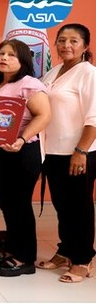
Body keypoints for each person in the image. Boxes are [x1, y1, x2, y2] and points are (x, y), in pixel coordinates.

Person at [0, 39, 50, 277]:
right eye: (2, 53)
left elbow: (44, 115)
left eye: (11, 55)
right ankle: (12, 249)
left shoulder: (29, 84)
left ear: (23, 60)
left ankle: (25, 258)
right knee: (5, 202)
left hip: (21, 151)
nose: (5, 58)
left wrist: (21, 139)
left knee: (19, 204)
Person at [39, 23, 96, 283]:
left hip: (79, 152)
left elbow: (93, 117)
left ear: (85, 46)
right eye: (62, 40)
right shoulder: (54, 72)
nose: (66, 45)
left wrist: (81, 150)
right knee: (62, 205)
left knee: (80, 207)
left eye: (74, 41)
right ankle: (65, 250)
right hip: (53, 152)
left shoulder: (88, 74)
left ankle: (83, 260)